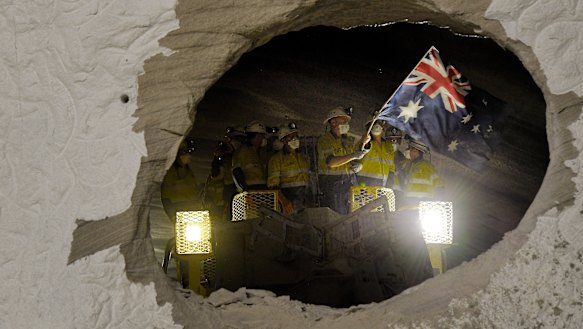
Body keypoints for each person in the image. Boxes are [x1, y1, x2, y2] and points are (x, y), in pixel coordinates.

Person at [317, 107, 370, 214]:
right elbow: (331, 162)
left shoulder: (347, 140)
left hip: (348, 183)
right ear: (333, 123)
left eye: (346, 122)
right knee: (338, 218)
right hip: (332, 186)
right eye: (343, 121)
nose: (346, 124)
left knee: (351, 216)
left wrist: (366, 143)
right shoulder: (325, 141)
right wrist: (353, 156)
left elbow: (358, 152)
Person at [267, 123, 310, 214]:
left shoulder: (303, 157)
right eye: (291, 137)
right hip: (289, 199)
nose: (295, 139)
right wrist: (285, 202)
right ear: (283, 140)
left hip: (305, 198)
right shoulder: (276, 159)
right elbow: (273, 186)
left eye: (296, 136)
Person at [161, 138, 200, 223]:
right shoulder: (171, 172)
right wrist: (172, 216)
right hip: (179, 214)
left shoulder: (189, 172)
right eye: (187, 153)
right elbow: (166, 197)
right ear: (180, 155)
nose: (190, 156)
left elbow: (194, 193)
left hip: (192, 214)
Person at [356, 120, 399, 189]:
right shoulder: (364, 143)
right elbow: (361, 149)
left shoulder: (388, 146)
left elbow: (391, 168)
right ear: (368, 128)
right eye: (373, 124)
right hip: (364, 184)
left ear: (383, 128)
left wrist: (389, 186)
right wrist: (365, 142)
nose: (376, 126)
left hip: (382, 186)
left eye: (379, 123)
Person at [232, 120, 269, 191]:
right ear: (256, 136)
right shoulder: (241, 151)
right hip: (250, 189)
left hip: (263, 190)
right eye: (262, 136)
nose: (262, 139)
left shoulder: (261, 152)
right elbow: (236, 172)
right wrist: (245, 189)